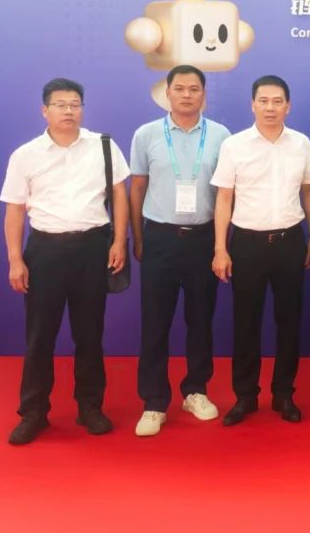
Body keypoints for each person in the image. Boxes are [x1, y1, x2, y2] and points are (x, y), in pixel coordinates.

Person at [0, 78, 128, 445]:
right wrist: (15, 260)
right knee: (40, 336)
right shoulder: (26, 154)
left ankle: (90, 408)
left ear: (82, 109)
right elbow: (14, 211)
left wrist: (119, 240)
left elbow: (119, 194)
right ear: (45, 110)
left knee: (89, 335)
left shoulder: (103, 146)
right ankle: (33, 412)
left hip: (92, 248)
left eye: (75, 104)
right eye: (60, 104)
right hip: (45, 252)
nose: (68, 111)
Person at [128, 65, 231, 437]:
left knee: (200, 320)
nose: (187, 95)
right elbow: (137, 189)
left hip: (204, 238)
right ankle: (154, 402)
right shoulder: (146, 134)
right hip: (160, 237)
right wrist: (138, 237)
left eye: (194, 89)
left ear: (204, 93)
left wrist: (221, 244)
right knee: (155, 322)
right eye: (180, 88)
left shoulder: (221, 136)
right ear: (167, 93)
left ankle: (195, 390)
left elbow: (227, 193)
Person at [211, 75, 310, 426]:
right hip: (247, 243)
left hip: (290, 241)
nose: (270, 107)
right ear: (252, 104)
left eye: (277, 101)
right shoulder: (235, 145)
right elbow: (224, 197)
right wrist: (220, 248)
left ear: (288, 106)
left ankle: (284, 394)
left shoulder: (301, 143)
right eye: (263, 100)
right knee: (246, 323)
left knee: (289, 321)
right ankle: (245, 396)